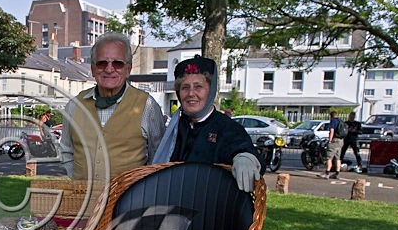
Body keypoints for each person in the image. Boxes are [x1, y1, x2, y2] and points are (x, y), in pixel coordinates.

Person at [59, 32, 165, 179]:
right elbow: (66, 151)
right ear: (93, 69)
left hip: (129, 200)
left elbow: (158, 155)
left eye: (117, 63)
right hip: (83, 198)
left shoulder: (147, 106)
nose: (109, 69)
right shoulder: (75, 105)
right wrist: (78, 182)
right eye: (102, 63)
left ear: (128, 69)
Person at [152, 55, 263, 192]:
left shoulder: (226, 128)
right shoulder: (174, 129)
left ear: (211, 91)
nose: (191, 93)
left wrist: (246, 158)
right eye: (185, 87)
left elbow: (243, 148)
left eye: (198, 87)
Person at [322, 110, 345, 179]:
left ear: (331, 116)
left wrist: (330, 140)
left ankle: (327, 173)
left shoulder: (333, 121)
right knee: (338, 158)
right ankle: (337, 173)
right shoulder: (341, 121)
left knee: (329, 157)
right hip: (341, 141)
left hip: (335, 140)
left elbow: (331, 131)